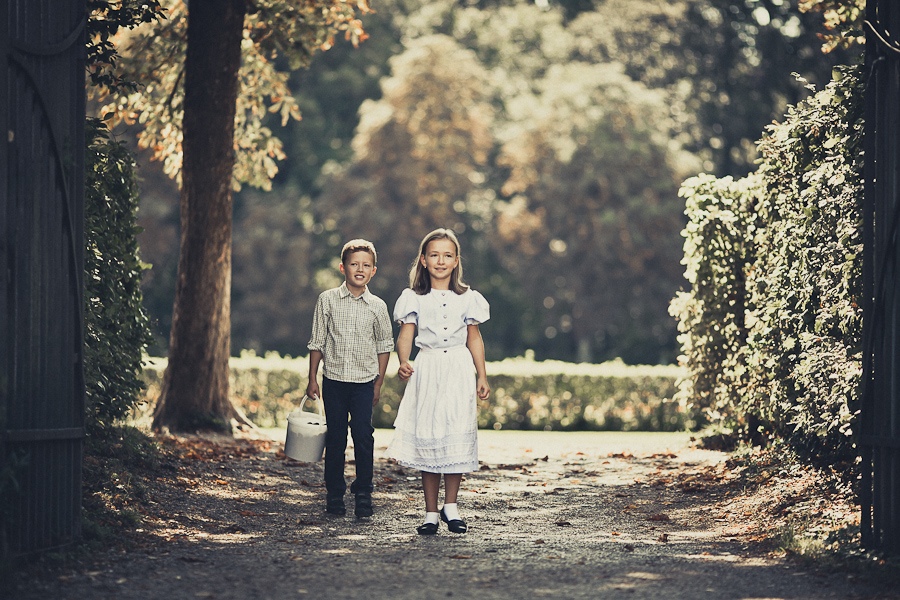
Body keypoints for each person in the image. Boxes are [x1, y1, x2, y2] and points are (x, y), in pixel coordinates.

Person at [387, 228, 491, 534]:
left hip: (458, 367)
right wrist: (404, 361)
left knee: (455, 433)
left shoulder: (468, 298)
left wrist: (482, 375)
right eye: (434, 255)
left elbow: (474, 338)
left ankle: (451, 507)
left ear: (456, 260)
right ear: (423, 259)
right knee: (430, 437)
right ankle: (430, 512)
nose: (440, 261)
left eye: (447, 255)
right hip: (428, 366)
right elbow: (406, 334)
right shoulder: (413, 297)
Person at [307, 239, 394, 518]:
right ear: (342, 268)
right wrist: (312, 379)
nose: (360, 269)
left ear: (374, 271)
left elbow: (384, 345)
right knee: (335, 438)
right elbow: (317, 342)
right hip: (333, 381)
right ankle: (334, 494)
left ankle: (364, 492)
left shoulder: (377, 306)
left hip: (363, 383)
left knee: (363, 436)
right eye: (354, 264)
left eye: (366, 265)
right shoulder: (327, 300)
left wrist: (377, 383)